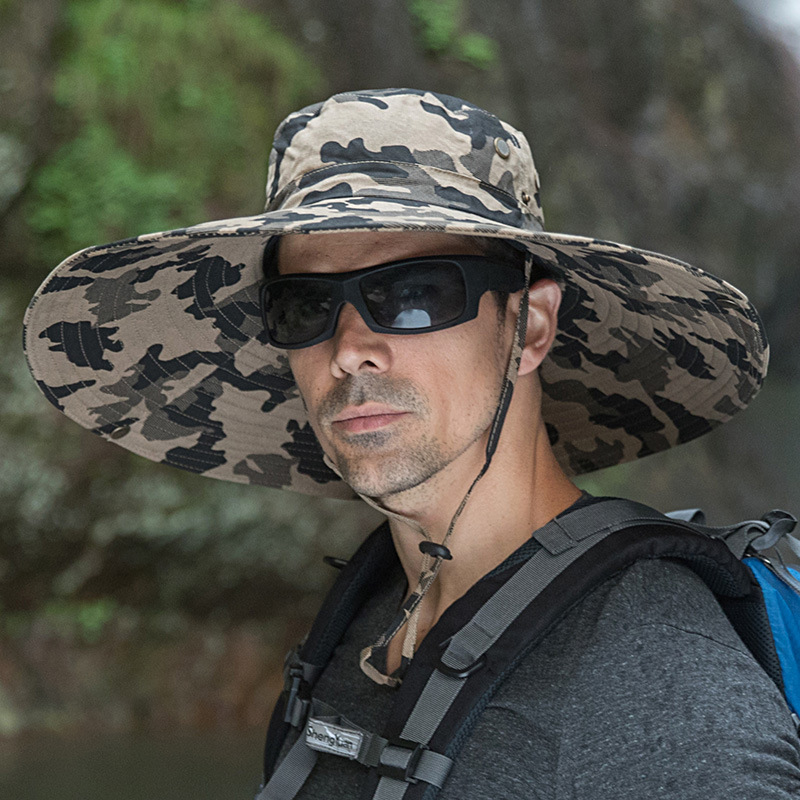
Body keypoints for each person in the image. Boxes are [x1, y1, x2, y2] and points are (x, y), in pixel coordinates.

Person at [23, 88, 800, 798]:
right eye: (305, 307)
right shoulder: (368, 614)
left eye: (414, 294)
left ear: (529, 326)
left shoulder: (657, 675)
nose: (349, 350)